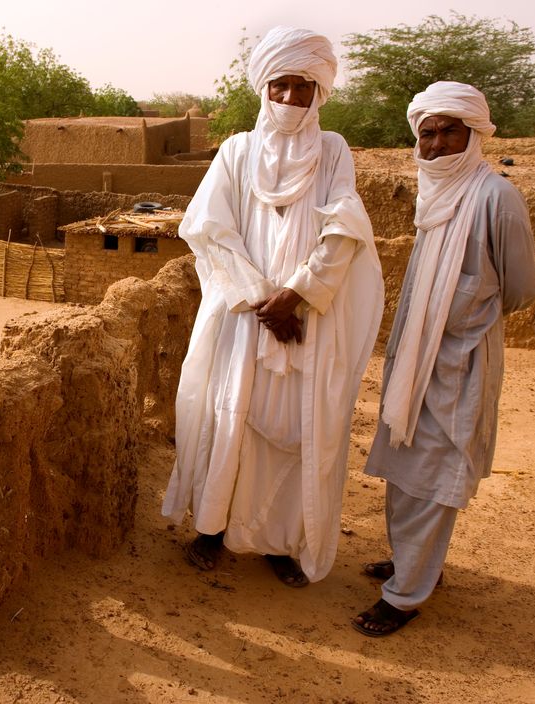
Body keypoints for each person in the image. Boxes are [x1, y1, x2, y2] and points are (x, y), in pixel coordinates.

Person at [161, 26, 383, 588]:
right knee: (227, 414)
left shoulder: (333, 152)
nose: (289, 99)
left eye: (301, 88)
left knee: (293, 430)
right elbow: (211, 229)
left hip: (305, 320)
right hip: (246, 317)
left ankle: (280, 543)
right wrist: (266, 299)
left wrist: (299, 294)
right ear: (264, 89)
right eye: (279, 86)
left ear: (319, 93)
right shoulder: (236, 152)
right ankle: (212, 528)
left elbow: (345, 228)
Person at [352, 82, 535, 636]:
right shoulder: (433, 193)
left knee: (435, 473)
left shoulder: (494, 197)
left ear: (475, 133)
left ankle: (406, 594)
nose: (436, 144)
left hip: (459, 362)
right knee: (404, 466)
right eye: (427, 133)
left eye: (449, 131)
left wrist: (462, 318)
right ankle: (414, 564)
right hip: (416, 357)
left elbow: (522, 288)